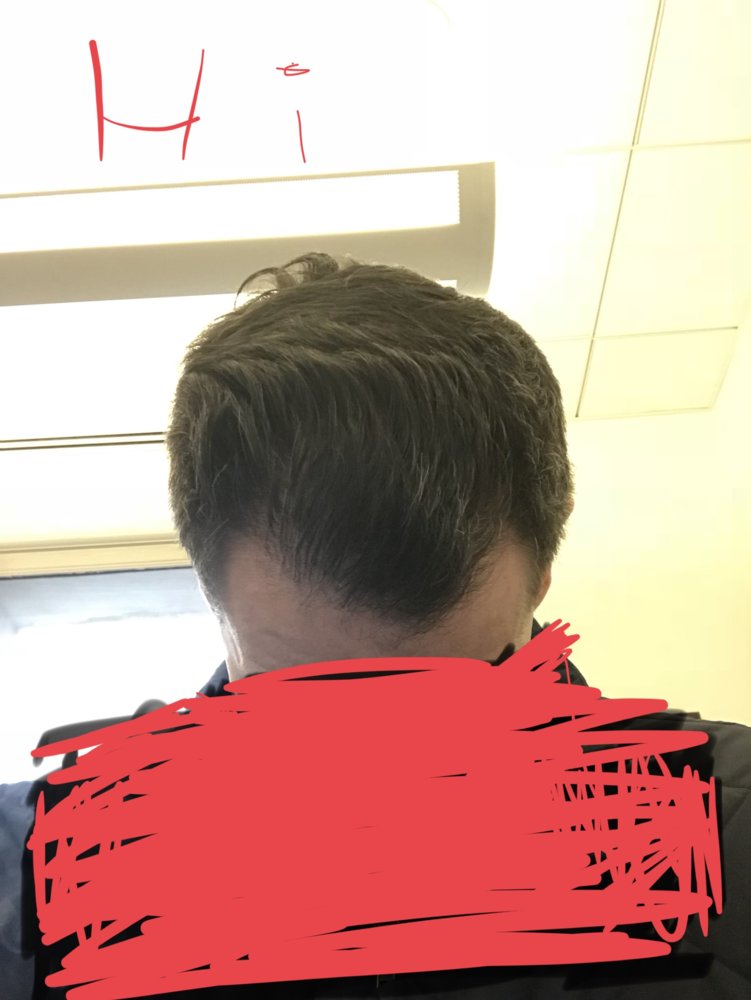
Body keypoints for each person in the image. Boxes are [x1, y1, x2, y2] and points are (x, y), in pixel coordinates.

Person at [1, 252, 749, 998]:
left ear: (544, 573)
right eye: (308, 711)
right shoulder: (41, 869)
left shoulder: (733, 832)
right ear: (208, 589)